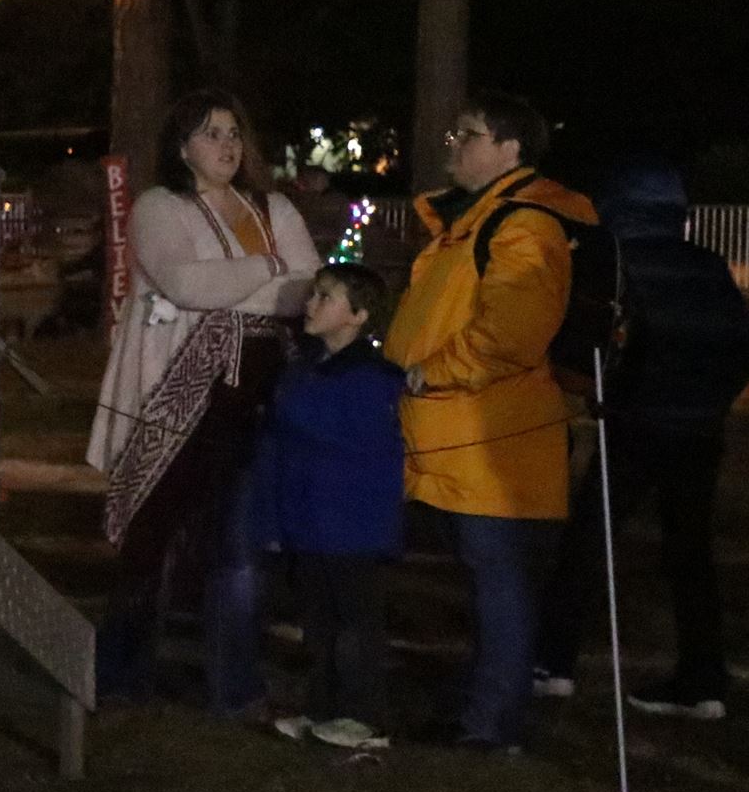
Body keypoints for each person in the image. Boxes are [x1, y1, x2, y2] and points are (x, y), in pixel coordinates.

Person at [85, 90, 321, 710]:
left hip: (253, 394)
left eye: (234, 133)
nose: (227, 145)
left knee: (237, 546)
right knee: (151, 539)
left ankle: (234, 688)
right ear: (182, 146)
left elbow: (306, 291)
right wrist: (267, 265)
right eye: (212, 133)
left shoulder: (270, 206)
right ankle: (117, 676)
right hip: (175, 391)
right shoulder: (160, 207)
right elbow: (185, 284)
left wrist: (247, 283)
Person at [383, 91, 597, 752]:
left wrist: (431, 370)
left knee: (498, 582)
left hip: (492, 436)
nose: (455, 145)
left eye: (469, 135)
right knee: (487, 581)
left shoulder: (523, 225)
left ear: (511, 149)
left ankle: (490, 724)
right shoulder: (477, 221)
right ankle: (481, 706)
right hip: (464, 435)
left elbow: (512, 331)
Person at [533, 159, 749, 720]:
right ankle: (704, 680)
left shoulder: (615, 261)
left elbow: (589, 346)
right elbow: (736, 344)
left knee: (589, 540)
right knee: (689, 553)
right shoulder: (708, 266)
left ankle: (553, 663)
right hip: (699, 429)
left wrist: (599, 391)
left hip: (635, 422)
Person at [258, 264, 408, 751]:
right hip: (312, 520)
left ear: (359, 316)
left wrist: (282, 405)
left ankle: (364, 716)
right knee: (320, 623)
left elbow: (332, 430)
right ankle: (322, 708)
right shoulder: (310, 368)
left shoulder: (371, 378)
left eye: (326, 298)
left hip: (352, 525)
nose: (312, 305)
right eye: (314, 295)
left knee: (354, 624)